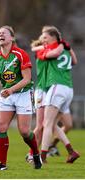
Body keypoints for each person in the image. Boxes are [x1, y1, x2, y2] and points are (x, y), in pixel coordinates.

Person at [0, 25, 42, 170]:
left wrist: (11, 90)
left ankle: (36, 154)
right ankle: (2, 164)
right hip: (7, 95)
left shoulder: (20, 54)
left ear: (12, 37)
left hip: (23, 93)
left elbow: (27, 79)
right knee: (1, 127)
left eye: (4, 33)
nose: (0, 35)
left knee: (24, 131)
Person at [26, 26, 77, 163]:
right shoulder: (44, 50)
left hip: (53, 89)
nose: (44, 40)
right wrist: (62, 46)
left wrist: (63, 47)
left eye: (45, 37)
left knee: (50, 124)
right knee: (41, 125)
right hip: (42, 89)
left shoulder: (53, 49)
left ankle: (58, 150)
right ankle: (33, 153)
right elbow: (36, 49)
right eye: (42, 38)